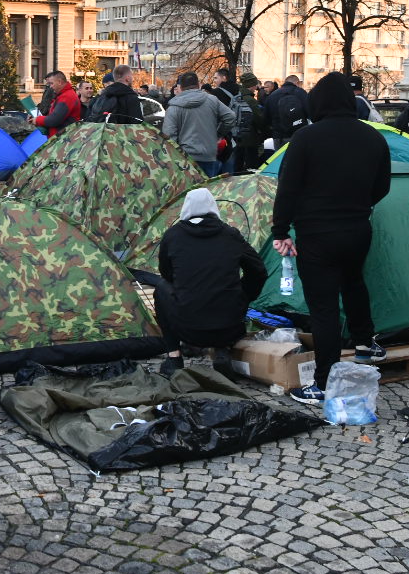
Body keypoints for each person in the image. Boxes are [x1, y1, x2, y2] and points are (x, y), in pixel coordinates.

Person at [269, 74, 391, 405]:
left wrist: (280, 230)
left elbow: (288, 188)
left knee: (323, 308)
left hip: (317, 233)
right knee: (354, 283)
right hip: (357, 229)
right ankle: (366, 343)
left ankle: (322, 383)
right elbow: (383, 187)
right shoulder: (374, 138)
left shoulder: (306, 138)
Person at [151, 186, 266, 379]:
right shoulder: (231, 234)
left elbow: (167, 275)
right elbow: (259, 271)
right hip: (230, 327)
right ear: (214, 207)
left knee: (161, 287)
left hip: (187, 328)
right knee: (227, 289)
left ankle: (174, 358)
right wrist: (244, 296)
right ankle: (222, 350)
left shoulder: (173, 236)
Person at [162, 71, 234, 176]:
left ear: (180, 87)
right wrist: (217, 134)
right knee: (207, 190)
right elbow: (230, 117)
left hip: (185, 157)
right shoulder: (212, 100)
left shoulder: (173, 107)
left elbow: (169, 135)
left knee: (188, 191)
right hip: (208, 154)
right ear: (199, 85)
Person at [263, 74, 309, 152]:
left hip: (278, 136)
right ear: (297, 83)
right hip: (298, 134)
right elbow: (309, 111)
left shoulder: (273, 95)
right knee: (297, 160)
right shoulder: (301, 93)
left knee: (281, 161)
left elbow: (266, 117)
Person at [34, 70, 83, 138]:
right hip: (61, 138)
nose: (50, 87)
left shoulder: (67, 97)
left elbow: (54, 120)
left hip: (63, 140)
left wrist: (37, 120)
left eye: (51, 83)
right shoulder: (62, 95)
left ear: (59, 82)